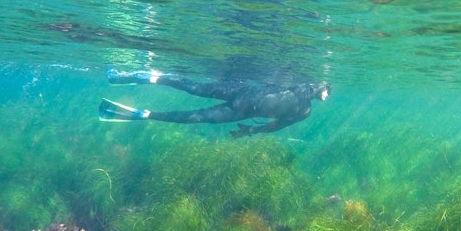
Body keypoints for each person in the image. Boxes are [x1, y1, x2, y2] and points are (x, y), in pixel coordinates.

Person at [99, 69, 331, 138]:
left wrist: (251, 130)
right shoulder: (301, 85)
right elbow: (309, 86)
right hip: (240, 91)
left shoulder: (305, 112)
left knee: (194, 118)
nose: (327, 96)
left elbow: (277, 125)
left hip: (238, 111)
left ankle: (144, 114)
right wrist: (320, 86)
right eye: (327, 90)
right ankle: (149, 76)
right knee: (193, 87)